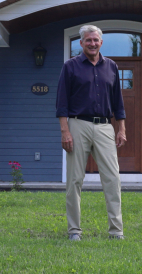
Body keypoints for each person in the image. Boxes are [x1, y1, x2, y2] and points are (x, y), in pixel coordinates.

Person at [56, 24, 127, 241]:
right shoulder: (70, 67)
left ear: (101, 42)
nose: (92, 43)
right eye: (88, 40)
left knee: (112, 179)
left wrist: (121, 128)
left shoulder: (111, 66)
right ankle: (74, 231)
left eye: (96, 40)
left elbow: (118, 102)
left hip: (105, 126)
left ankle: (116, 231)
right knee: (75, 179)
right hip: (78, 125)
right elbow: (62, 102)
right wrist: (65, 131)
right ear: (81, 43)